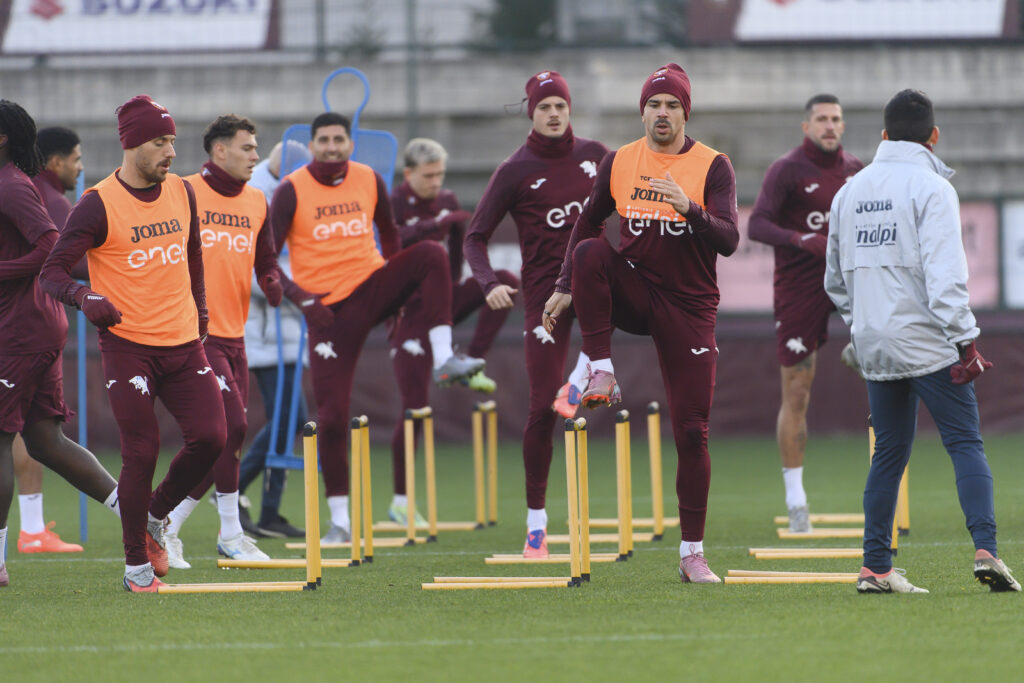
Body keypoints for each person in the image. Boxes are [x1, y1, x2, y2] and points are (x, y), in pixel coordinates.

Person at [544, 63, 739, 583]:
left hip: (690, 307)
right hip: (636, 288)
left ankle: (692, 553)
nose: (662, 113)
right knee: (589, 251)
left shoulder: (712, 166)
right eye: (654, 104)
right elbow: (587, 223)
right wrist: (563, 286)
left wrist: (690, 209)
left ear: (685, 112)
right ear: (643, 111)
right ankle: (600, 367)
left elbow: (729, 239)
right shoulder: (620, 160)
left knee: (692, 432)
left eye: (672, 104)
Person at [825, 89, 1020, 594]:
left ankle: (875, 568)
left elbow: (834, 281)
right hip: (929, 342)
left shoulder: (848, 191)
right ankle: (986, 550)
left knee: (888, 452)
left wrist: (863, 323)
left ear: (883, 135)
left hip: (873, 343)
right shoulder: (933, 189)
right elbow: (946, 278)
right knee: (964, 443)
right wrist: (967, 344)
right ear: (934, 137)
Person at [41, 94, 228, 592]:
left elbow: (193, 256)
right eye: (160, 142)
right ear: (131, 145)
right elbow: (52, 273)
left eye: (172, 141)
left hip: (185, 340)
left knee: (213, 436)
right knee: (141, 452)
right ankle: (136, 569)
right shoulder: (97, 203)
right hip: (128, 345)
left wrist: (203, 312)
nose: (170, 151)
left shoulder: (184, 191)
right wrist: (85, 297)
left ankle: (154, 517)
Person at [270, 112, 483, 543]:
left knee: (430, 255)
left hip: (371, 286)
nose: (332, 146)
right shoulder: (291, 190)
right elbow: (266, 262)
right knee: (331, 416)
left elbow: (390, 237)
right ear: (312, 147)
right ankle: (341, 520)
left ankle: (444, 356)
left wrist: (397, 298)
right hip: (327, 311)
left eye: (339, 139)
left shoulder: (369, 178)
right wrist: (302, 301)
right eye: (324, 140)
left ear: (351, 144)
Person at [464, 71, 608, 558]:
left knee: (647, 306)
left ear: (570, 111)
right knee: (542, 408)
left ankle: (585, 372)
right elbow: (474, 236)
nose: (553, 113)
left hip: (594, 286)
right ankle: (537, 526)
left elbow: (628, 210)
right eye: (544, 106)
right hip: (544, 298)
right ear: (532, 112)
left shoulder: (597, 157)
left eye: (560, 106)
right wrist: (488, 284)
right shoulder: (514, 169)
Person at [0, 101, 121, 588]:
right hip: (33, 326)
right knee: (46, 441)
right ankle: (143, 519)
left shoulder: (10, 185)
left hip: (21, 331)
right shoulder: (13, 183)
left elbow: (51, 246)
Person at [162, 115, 286, 567]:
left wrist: (272, 281)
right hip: (194, 334)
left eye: (256, 148)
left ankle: (172, 526)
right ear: (219, 151)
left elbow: (267, 260)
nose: (256, 155)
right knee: (230, 427)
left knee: (227, 439)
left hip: (236, 338)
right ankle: (227, 533)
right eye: (248, 147)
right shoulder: (184, 190)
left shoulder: (257, 201)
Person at [387, 138, 518, 525]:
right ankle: (400, 500)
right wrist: (436, 225)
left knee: (503, 281)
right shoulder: (393, 202)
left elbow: (459, 242)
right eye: (428, 175)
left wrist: (458, 250)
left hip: (442, 308)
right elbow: (389, 246)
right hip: (409, 316)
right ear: (409, 174)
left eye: (439, 174)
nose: (435, 181)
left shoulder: (447, 199)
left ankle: (471, 361)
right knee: (414, 410)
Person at [748, 95, 864, 533]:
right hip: (800, 286)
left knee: (888, 354)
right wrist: (802, 238)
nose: (829, 126)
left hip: (850, 279)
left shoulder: (856, 169)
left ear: (843, 124)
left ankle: (862, 346)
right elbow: (756, 224)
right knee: (798, 389)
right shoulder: (787, 170)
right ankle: (796, 501)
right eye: (822, 119)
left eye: (836, 118)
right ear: (806, 126)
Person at [11, 126, 89, 554]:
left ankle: (34, 528)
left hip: (24, 324)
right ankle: (32, 530)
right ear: (55, 161)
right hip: (26, 327)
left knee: (28, 431)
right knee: (20, 431)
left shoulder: (19, 187)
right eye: (76, 159)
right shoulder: (47, 199)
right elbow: (65, 257)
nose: (81, 167)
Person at [237, 139, 312, 539]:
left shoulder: (296, 190)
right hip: (265, 331)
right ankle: (232, 488)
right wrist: (297, 293)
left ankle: (268, 511)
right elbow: (251, 269)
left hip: (289, 328)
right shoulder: (257, 198)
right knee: (288, 418)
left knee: (291, 421)